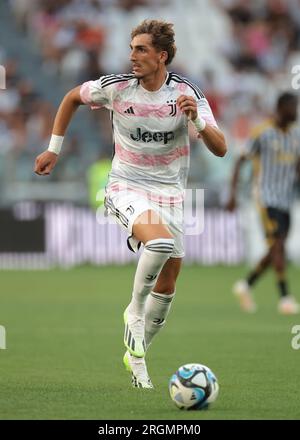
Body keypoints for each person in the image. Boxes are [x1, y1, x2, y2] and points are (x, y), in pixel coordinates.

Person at [34, 20, 226, 388]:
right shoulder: (117, 88)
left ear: (161, 56)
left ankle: (137, 357)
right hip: (126, 185)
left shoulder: (186, 94)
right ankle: (133, 312)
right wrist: (53, 149)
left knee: (168, 287)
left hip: (171, 194)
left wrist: (197, 120)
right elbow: (71, 97)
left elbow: (221, 149)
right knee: (160, 244)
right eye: (131, 48)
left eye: (141, 49)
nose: (132, 56)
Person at [227, 92, 300, 315]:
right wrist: (233, 194)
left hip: (287, 199)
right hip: (266, 198)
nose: (296, 111)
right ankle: (285, 297)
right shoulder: (263, 133)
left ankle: (245, 285)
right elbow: (241, 160)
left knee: (275, 249)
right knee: (278, 246)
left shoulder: (296, 135)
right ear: (281, 108)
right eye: (292, 107)